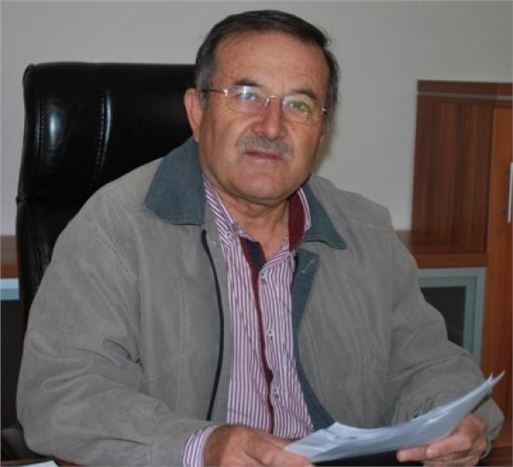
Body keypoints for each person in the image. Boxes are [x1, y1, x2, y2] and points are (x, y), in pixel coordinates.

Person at [17, 9, 503, 467]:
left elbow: (429, 364)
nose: (272, 127)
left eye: (299, 104)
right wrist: (203, 446)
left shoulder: (365, 232)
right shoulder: (114, 228)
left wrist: (457, 419)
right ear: (197, 111)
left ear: (321, 130)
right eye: (248, 95)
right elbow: (61, 394)